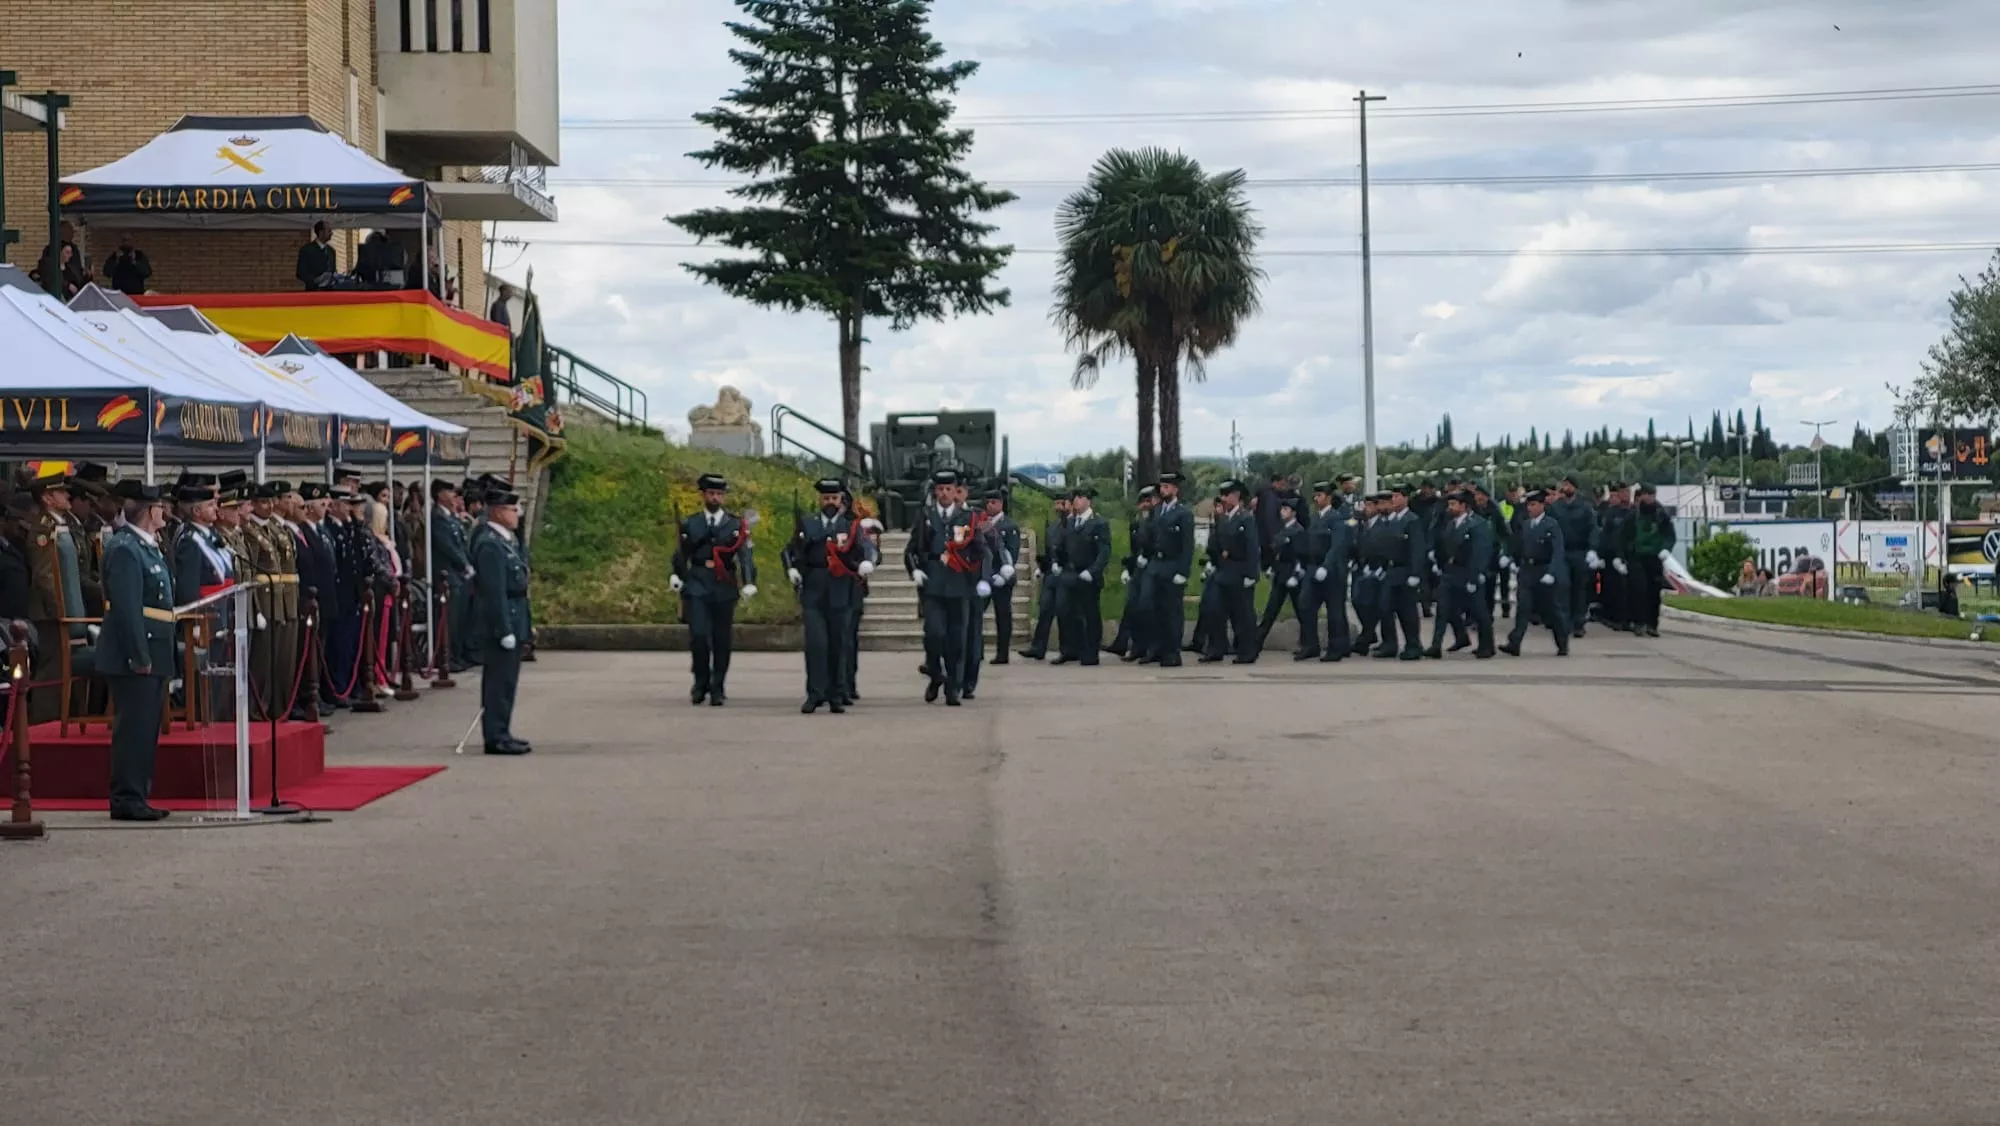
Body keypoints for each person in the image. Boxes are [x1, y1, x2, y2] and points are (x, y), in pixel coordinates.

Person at [99, 483, 175, 821]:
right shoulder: (126, 548)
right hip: (136, 652)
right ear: (150, 511)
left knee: (146, 729)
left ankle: (138, 794)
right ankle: (127, 797)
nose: (165, 512)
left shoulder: (147, 547)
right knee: (133, 729)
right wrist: (139, 655)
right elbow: (128, 608)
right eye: (161, 506)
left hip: (155, 648)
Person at [784, 477, 873, 714]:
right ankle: (814, 693)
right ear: (820, 500)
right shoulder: (808, 523)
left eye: (834, 498)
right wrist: (791, 568)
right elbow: (790, 550)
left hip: (841, 589)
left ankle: (837, 692)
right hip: (814, 588)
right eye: (826, 498)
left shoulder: (851, 526)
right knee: (816, 643)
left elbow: (866, 548)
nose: (830, 502)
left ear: (841, 499)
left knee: (838, 643)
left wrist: (866, 562)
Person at [670, 473, 757, 706]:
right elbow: (681, 553)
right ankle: (700, 681)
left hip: (724, 582)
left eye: (719, 494)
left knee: (721, 639)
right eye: (711, 493)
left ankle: (718, 686)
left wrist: (749, 580)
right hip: (698, 581)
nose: (715, 498)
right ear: (703, 495)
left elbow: (745, 555)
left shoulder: (735, 524)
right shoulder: (692, 522)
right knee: (698, 636)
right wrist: (676, 575)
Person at [905, 468, 985, 704]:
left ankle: (953, 687)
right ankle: (936, 673)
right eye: (940, 489)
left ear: (955, 491)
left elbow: (979, 550)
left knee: (957, 639)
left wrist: (979, 577)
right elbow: (911, 549)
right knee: (934, 633)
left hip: (959, 584)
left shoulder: (967, 518)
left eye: (949, 489)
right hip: (933, 584)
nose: (944, 493)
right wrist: (915, 570)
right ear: (935, 492)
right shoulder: (926, 516)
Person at [470, 487, 533, 754]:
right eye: (511, 509)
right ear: (497, 511)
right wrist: (503, 627)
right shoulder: (490, 544)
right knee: (498, 682)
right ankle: (495, 735)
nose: (516, 514)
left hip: (515, 612)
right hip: (502, 618)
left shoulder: (506, 540)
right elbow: (494, 591)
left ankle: (503, 730)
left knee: (508, 681)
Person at [1426, 490, 1496, 659]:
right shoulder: (1451, 523)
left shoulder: (1477, 524)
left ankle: (1487, 645)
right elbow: (1445, 546)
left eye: (1454, 504)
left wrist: (1475, 575)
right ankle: (1436, 645)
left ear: (1465, 506)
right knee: (1443, 609)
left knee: (1479, 611)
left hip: (1468, 572)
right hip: (1450, 572)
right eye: (1450, 504)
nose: (1450, 508)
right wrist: (1438, 560)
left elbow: (1480, 551)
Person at [1500, 490, 1571, 657]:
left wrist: (1553, 572)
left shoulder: (1551, 525)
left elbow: (1558, 551)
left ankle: (1562, 642)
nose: (1529, 508)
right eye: (1528, 505)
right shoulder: (1526, 525)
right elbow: (1517, 544)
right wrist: (1508, 556)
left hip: (1544, 570)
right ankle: (1515, 642)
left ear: (1541, 505)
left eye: (1533, 505)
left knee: (1553, 610)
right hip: (1527, 571)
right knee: (1523, 608)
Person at [1200, 479, 1261, 664]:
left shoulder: (1246, 518)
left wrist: (1252, 575)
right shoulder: (1224, 519)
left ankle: (1247, 651)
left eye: (1227, 495)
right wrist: (1214, 563)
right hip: (1223, 572)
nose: (1224, 499)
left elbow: (1252, 548)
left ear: (1236, 496)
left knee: (1242, 615)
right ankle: (1216, 649)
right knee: (1215, 611)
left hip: (1240, 571)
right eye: (1223, 495)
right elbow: (1218, 546)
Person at [1296, 481, 1354, 662]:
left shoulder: (1336, 518)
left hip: (1331, 570)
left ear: (1328, 497)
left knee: (1334, 611)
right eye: (1315, 495)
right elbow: (1308, 543)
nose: (1316, 498)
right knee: (1305, 605)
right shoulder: (1315, 518)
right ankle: (1310, 645)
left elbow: (1337, 546)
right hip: (1313, 568)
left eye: (1320, 495)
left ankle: (1336, 648)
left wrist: (1326, 567)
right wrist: (1301, 564)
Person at [1054, 486, 1110, 666]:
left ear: (1088, 500)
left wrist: (1093, 571)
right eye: (1074, 498)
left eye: (1079, 497)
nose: (1075, 501)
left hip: (1087, 574)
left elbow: (1104, 552)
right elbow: (1062, 546)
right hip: (1069, 573)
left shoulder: (1099, 523)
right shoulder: (1070, 522)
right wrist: (1056, 562)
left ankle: (1090, 652)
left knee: (1089, 615)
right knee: (1064, 611)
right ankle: (1069, 650)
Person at [1143, 472, 1194, 666]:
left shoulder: (1183, 514)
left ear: (1175, 489)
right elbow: (1150, 538)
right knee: (1153, 609)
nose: (1163, 490)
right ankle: (1156, 648)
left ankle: (1172, 652)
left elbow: (1187, 546)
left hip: (1173, 566)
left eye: (1166, 487)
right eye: (1162, 487)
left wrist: (1183, 572)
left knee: (1172, 611)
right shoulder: (1156, 512)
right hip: (1156, 564)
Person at [1016, 494, 1070, 661]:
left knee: (1064, 612)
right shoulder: (1053, 527)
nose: (1058, 508)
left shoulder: (1073, 526)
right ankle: (1038, 647)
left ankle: (1066, 649)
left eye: (1062, 504)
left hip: (1067, 573)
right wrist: (1042, 567)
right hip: (1051, 575)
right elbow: (1049, 551)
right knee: (1045, 610)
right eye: (1056, 504)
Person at [1108, 486, 1157, 661]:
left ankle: (1149, 647)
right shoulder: (1137, 524)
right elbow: (1135, 549)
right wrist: (1128, 568)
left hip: (1152, 569)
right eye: (1142, 502)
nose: (1144, 506)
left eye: (1147, 501)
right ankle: (1135, 646)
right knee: (1133, 608)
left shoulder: (1156, 521)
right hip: (1138, 571)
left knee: (1147, 610)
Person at [1625, 484, 1676, 637]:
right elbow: (1625, 536)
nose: (1649, 498)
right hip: (1637, 557)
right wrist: (1623, 556)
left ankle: (1652, 624)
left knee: (1654, 591)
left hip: (1654, 557)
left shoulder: (1661, 514)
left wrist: (1666, 549)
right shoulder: (1634, 514)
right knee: (1639, 590)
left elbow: (1669, 534)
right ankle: (1639, 623)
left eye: (1652, 495)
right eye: (1647, 494)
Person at [1257, 497, 1309, 646]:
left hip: (1292, 575)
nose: (1282, 512)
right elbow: (1275, 549)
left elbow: (1301, 555)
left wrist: (1296, 575)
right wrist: (1271, 567)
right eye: (1282, 509)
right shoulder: (1284, 529)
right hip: (1280, 574)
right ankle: (1257, 641)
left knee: (1301, 611)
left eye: (1286, 509)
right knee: (1271, 610)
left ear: (1293, 512)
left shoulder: (1298, 530)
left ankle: (1308, 643)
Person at [297, 221, 337, 290]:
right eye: (329, 231)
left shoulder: (331, 251)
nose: (331, 233)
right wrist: (315, 280)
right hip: (313, 292)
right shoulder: (307, 250)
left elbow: (333, 270)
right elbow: (300, 273)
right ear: (321, 232)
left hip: (330, 292)